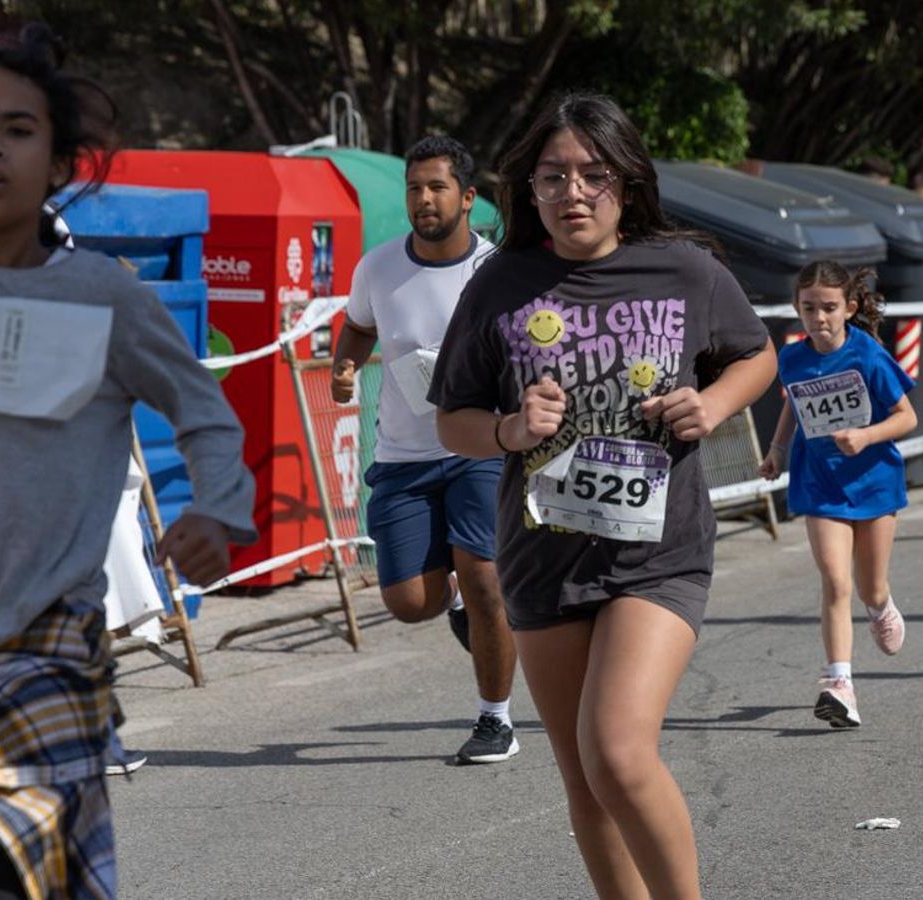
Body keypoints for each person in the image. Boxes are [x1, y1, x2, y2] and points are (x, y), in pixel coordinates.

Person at [0, 25, 256, 898]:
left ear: (63, 163)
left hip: (49, 643)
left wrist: (217, 510)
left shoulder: (104, 294)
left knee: (14, 870)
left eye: (17, 128)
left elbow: (204, 412)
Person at [427, 92, 774, 900]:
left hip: (658, 552)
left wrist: (715, 405)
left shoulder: (685, 268)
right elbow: (453, 422)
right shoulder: (502, 284)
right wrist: (511, 429)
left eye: (593, 174)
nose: (573, 192)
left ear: (627, 181)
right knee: (585, 780)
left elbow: (755, 357)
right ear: (529, 190)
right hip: (542, 554)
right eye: (553, 177)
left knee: (617, 750)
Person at [330, 135, 521, 765]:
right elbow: (358, 327)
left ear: (467, 198)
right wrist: (345, 366)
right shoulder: (378, 267)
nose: (423, 199)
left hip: (480, 447)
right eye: (414, 188)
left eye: (437, 187)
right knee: (410, 604)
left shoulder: (496, 273)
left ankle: (495, 719)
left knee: (487, 579)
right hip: (405, 456)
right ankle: (457, 599)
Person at [757, 261, 916, 729]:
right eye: (809, 308)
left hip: (873, 480)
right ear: (797, 309)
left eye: (829, 308)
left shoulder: (868, 355)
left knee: (869, 586)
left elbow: (907, 417)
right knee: (835, 581)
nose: (819, 318)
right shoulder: (792, 358)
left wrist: (866, 437)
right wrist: (777, 450)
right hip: (819, 481)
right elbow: (794, 403)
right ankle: (839, 683)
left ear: (848, 307)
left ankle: (882, 606)